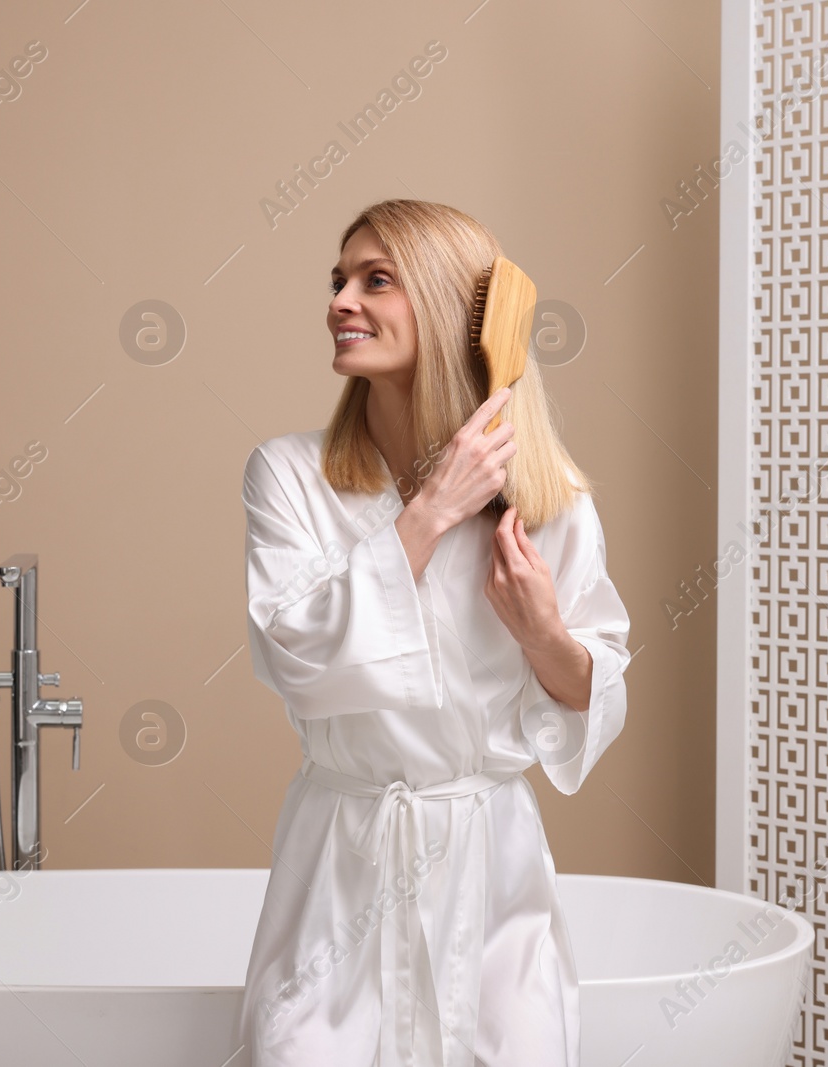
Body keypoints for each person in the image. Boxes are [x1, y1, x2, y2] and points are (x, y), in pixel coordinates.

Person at [235, 198, 632, 1067]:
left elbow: (593, 688)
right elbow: (294, 656)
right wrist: (432, 509)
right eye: (338, 280)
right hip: (342, 866)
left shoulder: (550, 498)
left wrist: (543, 635)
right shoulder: (290, 477)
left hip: (490, 874)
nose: (341, 300)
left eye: (377, 280)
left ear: (457, 308)